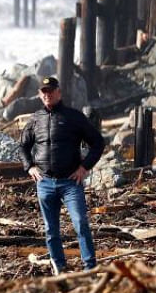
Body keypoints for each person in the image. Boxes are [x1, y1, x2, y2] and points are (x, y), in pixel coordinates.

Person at [19, 75, 105, 274]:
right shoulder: (35, 119)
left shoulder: (74, 117)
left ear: (59, 92)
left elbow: (98, 143)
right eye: (44, 92)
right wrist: (29, 167)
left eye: (51, 91)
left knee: (81, 223)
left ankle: (90, 268)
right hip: (45, 182)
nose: (47, 95)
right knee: (51, 230)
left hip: (70, 182)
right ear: (40, 95)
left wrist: (84, 167)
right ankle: (59, 267)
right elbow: (23, 146)